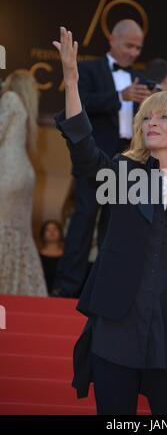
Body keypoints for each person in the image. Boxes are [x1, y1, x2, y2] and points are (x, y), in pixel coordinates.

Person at [52, 27, 167, 415]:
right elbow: (86, 153)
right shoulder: (123, 175)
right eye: (147, 116)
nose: (151, 121)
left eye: (163, 117)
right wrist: (72, 83)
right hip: (116, 333)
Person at [54, 19, 151, 298]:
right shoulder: (87, 69)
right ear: (113, 39)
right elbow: (78, 106)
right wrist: (119, 97)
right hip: (93, 156)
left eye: (138, 47)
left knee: (115, 227)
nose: (133, 52)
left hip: (129, 162)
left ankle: (105, 288)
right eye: (129, 45)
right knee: (84, 218)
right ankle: (67, 286)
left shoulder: (140, 80)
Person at [0, 70, 47, 296]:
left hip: (7, 173)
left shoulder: (9, 99)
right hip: (24, 174)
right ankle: (19, 289)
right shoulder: (26, 108)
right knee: (18, 233)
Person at [39, 220, 64, 294]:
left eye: (55, 229)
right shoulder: (37, 257)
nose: (52, 232)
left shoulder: (67, 257)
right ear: (42, 234)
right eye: (48, 230)